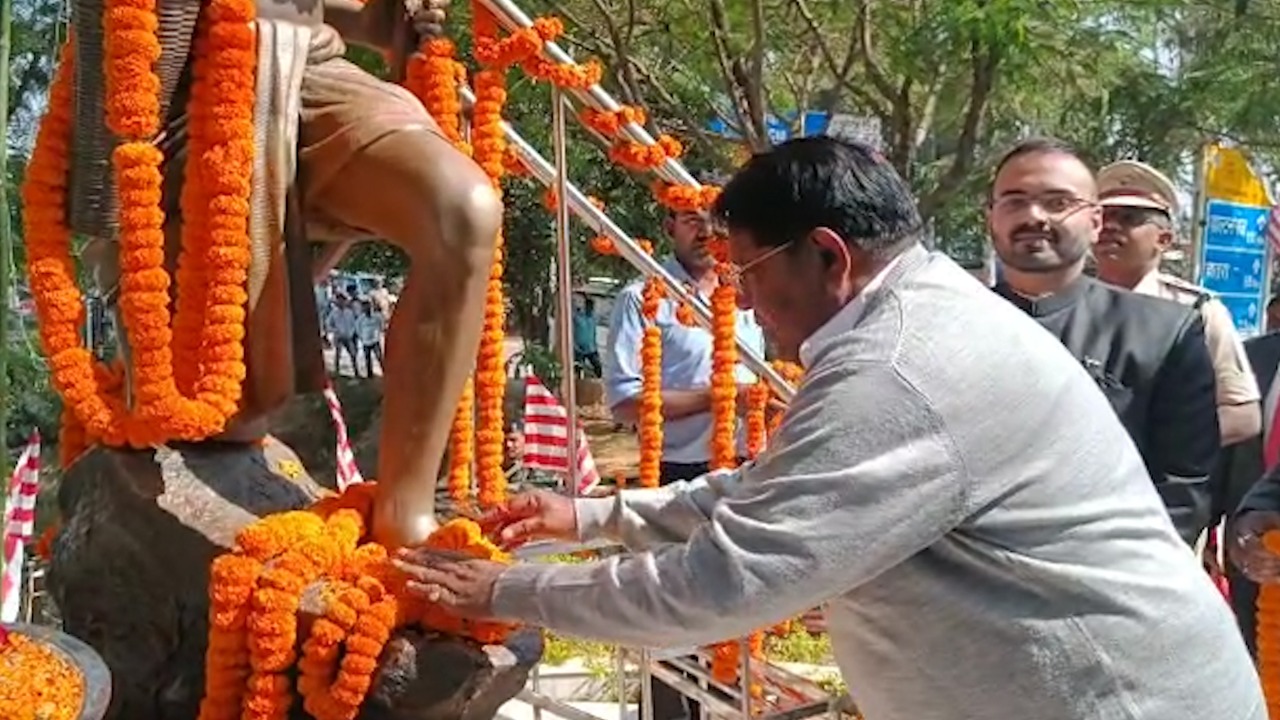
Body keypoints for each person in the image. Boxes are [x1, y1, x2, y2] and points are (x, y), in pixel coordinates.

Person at [394, 137, 1264, 720]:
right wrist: (587, 518)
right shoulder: (904, 324)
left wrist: (500, 591)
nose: (736, 303)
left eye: (746, 273)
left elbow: (723, 586)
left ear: (828, 255)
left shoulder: (901, 363)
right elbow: (785, 490)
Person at [989, 138, 1220, 545]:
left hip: (1100, 584)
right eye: (1014, 201)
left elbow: (1182, 492)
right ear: (991, 218)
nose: (1034, 216)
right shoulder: (939, 323)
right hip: (955, 589)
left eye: (1058, 202)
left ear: (1095, 221)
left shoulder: (1165, 333)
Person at [600, 204, 766, 719]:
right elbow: (626, 401)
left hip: (744, 469)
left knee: (735, 607)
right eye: (689, 219)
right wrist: (720, 398)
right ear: (668, 225)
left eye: (713, 219)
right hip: (673, 474)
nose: (704, 231)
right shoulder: (645, 300)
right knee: (670, 610)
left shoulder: (748, 296)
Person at [1093, 159, 1260, 446]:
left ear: (1164, 239)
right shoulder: (1064, 302)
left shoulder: (1198, 311)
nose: (1110, 226)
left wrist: (1166, 443)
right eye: (1102, 215)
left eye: (1129, 218)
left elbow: (1244, 414)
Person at [326, 294, 359, 376]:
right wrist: (335, 330)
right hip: (339, 337)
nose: (340, 302)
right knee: (338, 354)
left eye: (342, 300)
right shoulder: (334, 312)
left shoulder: (349, 312)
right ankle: (337, 372)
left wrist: (351, 333)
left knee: (353, 354)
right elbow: (328, 324)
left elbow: (354, 324)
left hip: (348, 336)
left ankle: (356, 372)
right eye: (339, 300)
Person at [572, 294, 602, 377]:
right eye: (589, 306)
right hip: (579, 348)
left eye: (592, 307)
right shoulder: (578, 317)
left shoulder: (593, 319)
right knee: (578, 368)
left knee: (598, 367)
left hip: (591, 349)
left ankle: (598, 383)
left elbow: (593, 333)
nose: (591, 309)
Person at [356, 300, 387, 378]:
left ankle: (385, 372)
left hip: (375, 340)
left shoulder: (377, 316)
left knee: (379, 357)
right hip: (366, 341)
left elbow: (381, 325)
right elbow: (358, 329)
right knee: (367, 359)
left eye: (368, 306)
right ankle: (370, 374)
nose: (367, 308)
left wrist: (379, 333)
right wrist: (362, 337)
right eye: (365, 307)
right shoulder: (361, 318)